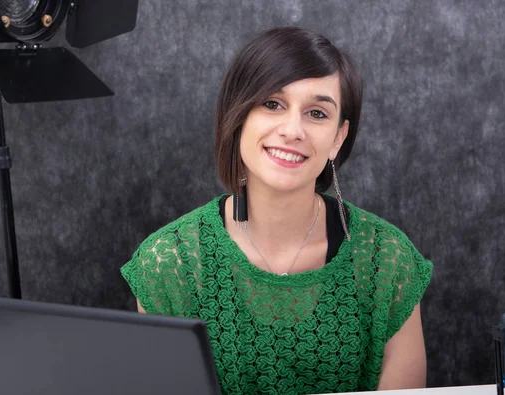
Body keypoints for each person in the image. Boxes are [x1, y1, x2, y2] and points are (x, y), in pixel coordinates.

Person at [121, 26, 433, 394]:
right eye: (272, 104)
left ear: (338, 138)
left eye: (317, 113)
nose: (293, 130)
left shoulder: (386, 259)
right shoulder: (169, 264)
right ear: (237, 118)